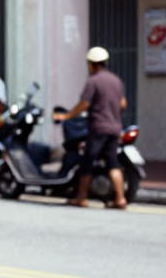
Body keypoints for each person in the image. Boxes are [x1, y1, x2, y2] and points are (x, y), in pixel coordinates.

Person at [53, 46, 128, 208]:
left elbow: (83, 105)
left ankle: (82, 197)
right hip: (115, 129)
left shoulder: (93, 81)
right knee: (113, 163)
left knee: (87, 162)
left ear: (92, 64)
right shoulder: (116, 80)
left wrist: (67, 116)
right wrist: (112, 112)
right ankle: (120, 198)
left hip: (98, 128)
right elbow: (123, 104)